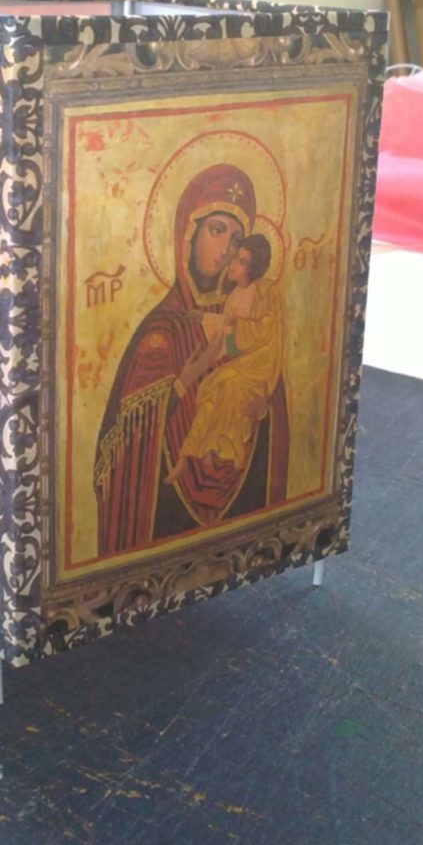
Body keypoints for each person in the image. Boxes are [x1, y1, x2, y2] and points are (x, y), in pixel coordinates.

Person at [94, 164, 288, 557]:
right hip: (165, 502)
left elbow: (268, 391)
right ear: (188, 234)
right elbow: (128, 442)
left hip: (240, 488)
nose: (227, 249)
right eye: (217, 231)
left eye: (236, 240)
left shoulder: (249, 318)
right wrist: (185, 381)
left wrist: (262, 408)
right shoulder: (161, 332)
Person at [166, 234, 283, 482]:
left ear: (252, 268)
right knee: (212, 388)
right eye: (236, 258)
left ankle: (222, 450)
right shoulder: (234, 297)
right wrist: (205, 319)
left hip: (259, 366)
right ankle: (188, 455)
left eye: (241, 261)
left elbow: (264, 332)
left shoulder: (267, 293)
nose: (232, 264)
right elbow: (225, 333)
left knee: (227, 385)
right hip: (239, 364)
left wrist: (230, 329)